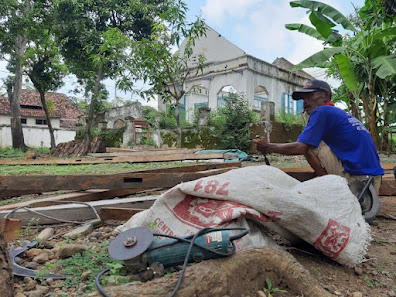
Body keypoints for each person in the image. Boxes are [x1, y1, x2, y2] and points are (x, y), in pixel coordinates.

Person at [253, 79, 384, 192]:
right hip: (374, 179)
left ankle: (327, 184)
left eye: (310, 96)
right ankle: (325, 178)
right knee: (312, 139)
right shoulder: (339, 114)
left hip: (357, 179)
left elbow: (301, 148)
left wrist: (268, 146)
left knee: (309, 144)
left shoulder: (322, 111)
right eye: (303, 99)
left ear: (326, 95)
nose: (305, 102)